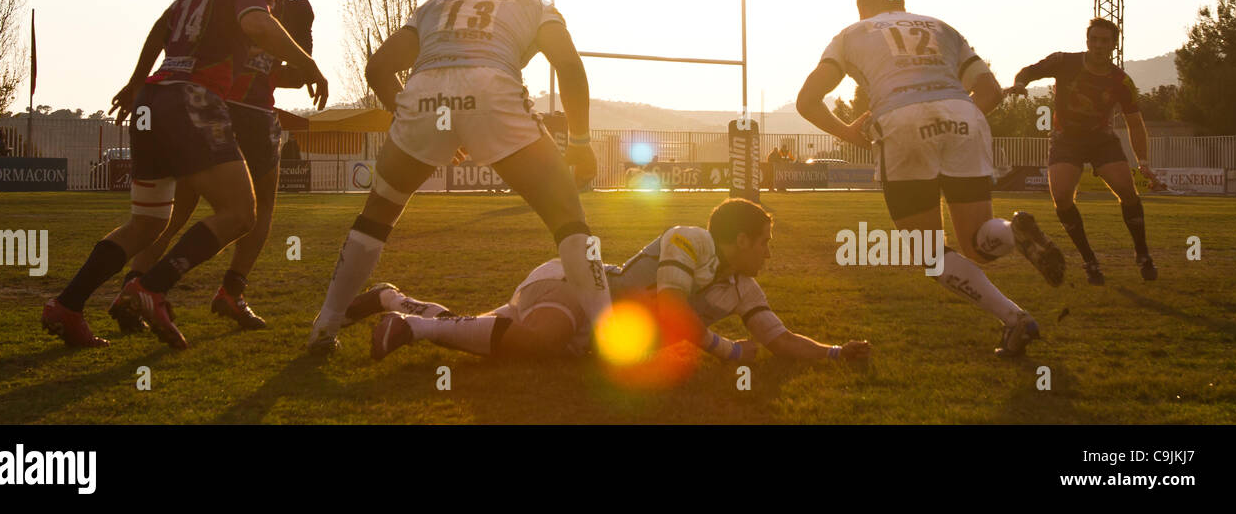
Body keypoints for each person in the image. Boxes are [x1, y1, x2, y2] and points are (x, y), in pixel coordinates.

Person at [40, 0, 327, 349]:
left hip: (157, 96)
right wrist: (309, 65)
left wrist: (137, 81)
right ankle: (151, 289)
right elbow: (255, 23)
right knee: (242, 212)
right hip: (192, 99)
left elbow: (162, 26)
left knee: (147, 222)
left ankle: (68, 304)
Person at [306, 0, 609, 356]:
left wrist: (417, 119)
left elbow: (378, 67)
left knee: (376, 215)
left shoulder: (437, 4)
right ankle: (610, 338)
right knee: (569, 219)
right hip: (492, 88)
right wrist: (581, 141)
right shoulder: (533, 4)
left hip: (424, 91)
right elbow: (568, 66)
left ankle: (326, 324)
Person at [793, 0, 1064, 357]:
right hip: (964, 115)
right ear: (903, 3)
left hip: (901, 124)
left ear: (863, 9)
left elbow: (807, 100)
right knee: (978, 244)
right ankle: (1012, 234)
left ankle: (1015, 318)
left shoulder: (851, 34)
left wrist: (850, 133)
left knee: (929, 252)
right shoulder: (942, 28)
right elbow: (990, 93)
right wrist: (952, 115)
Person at [348, 198, 871, 366]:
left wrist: (834, 354)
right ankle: (409, 328)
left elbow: (778, 340)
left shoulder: (744, 289)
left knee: (501, 335)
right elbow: (670, 307)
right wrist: (727, 350)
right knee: (537, 342)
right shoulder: (691, 239)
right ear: (736, 239)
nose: (769, 252)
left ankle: (400, 300)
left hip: (597, 331)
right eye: (764, 242)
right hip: (579, 289)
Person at [109, 0, 317, 333]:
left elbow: (163, 27)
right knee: (259, 209)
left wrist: (138, 78)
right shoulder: (293, 2)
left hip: (197, 102)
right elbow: (295, 71)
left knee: (174, 211)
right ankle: (230, 292)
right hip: (250, 110)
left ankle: (131, 286)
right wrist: (289, 68)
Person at [1006, 18, 1157, 284]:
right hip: (1066, 140)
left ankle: (1142, 253)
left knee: (1126, 189)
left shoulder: (1121, 81)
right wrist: (1020, 84)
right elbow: (1028, 71)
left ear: (1113, 45)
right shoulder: (1064, 62)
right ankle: (1090, 261)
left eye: (1105, 41)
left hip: (1102, 141)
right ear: (1087, 41)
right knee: (1062, 196)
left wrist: (1143, 161)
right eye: (1094, 40)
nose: (1099, 45)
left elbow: (1135, 122)